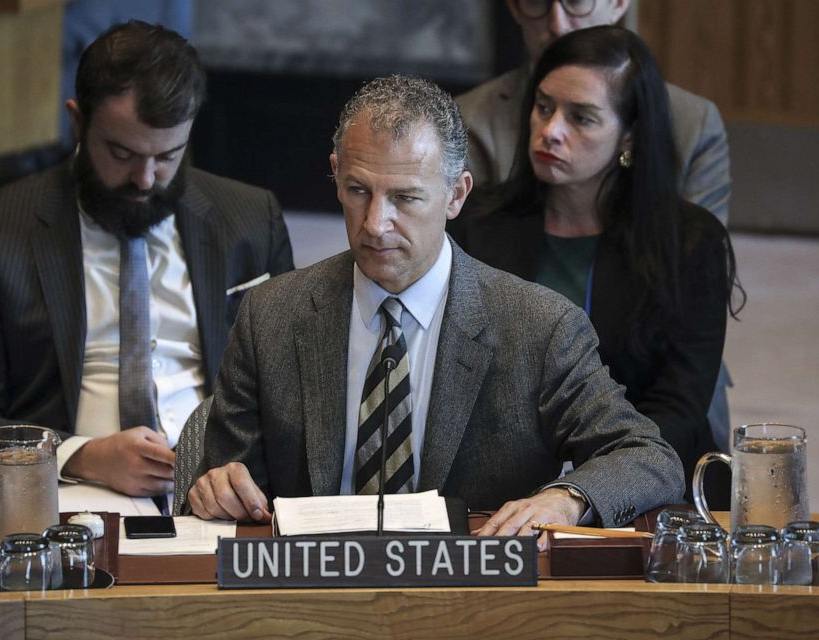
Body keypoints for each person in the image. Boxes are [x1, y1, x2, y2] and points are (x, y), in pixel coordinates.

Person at [181, 74, 685, 546]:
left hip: (470, 602)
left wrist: (568, 497)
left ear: (455, 195)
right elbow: (225, 486)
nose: (376, 223)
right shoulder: (273, 314)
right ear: (335, 177)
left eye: (405, 198)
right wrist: (216, 488)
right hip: (311, 598)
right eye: (359, 191)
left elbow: (648, 456)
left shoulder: (539, 327)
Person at [0, 21, 294, 521]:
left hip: (218, 494)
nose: (145, 180)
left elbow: (288, 392)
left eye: (167, 156)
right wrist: (84, 456)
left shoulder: (251, 219)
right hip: (60, 499)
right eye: (121, 153)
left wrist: (231, 465)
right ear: (77, 122)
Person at [451, 26, 742, 508]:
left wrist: (586, 490)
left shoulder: (690, 242)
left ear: (629, 133)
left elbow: (678, 405)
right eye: (543, 107)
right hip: (499, 485)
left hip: (648, 484)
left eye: (581, 118)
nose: (551, 131)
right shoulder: (475, 224)